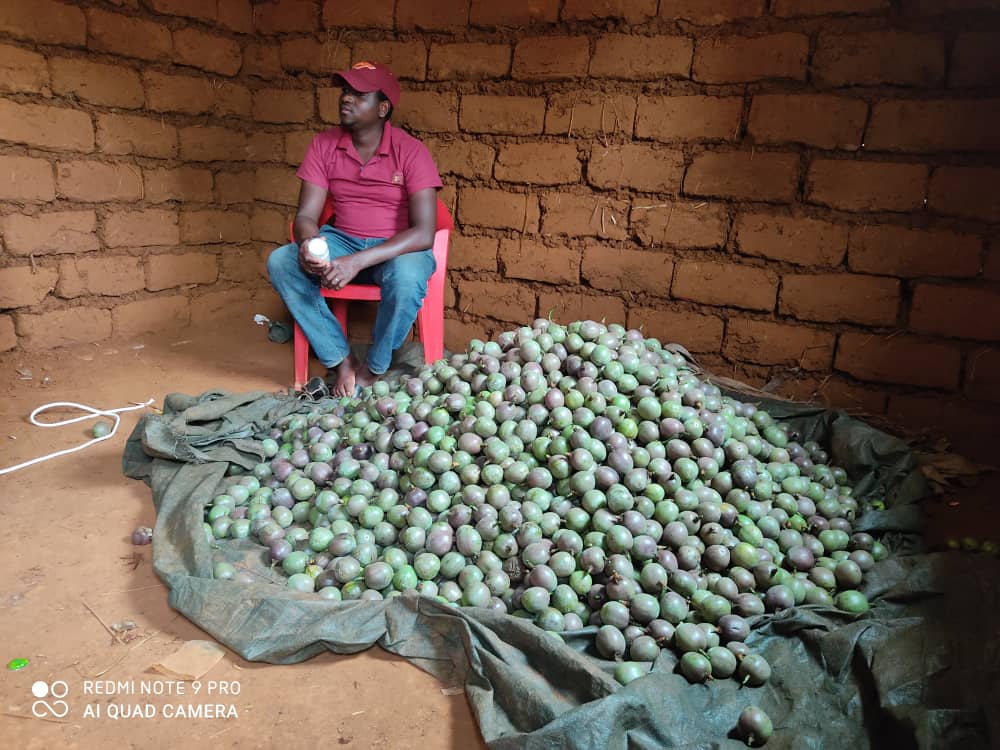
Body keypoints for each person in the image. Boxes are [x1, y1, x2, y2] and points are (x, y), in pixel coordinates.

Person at [267, 61, 443, 397]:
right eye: (345, 91)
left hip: (396, 249)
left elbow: (423, 233)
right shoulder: (324, 145)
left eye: (359, 94)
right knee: (281, 262)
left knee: (406, 277)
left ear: (382, 107)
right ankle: (341, 360)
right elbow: (305, 215)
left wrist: (358, 261)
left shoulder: (411, 152)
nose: (347, 98)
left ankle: (373, 369)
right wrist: (309, 242)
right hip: (341, 242)